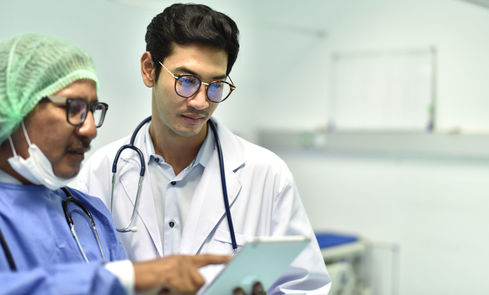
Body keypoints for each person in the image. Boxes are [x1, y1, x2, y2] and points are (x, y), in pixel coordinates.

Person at [76, 3, 331, 294]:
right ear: (149, 70)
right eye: (186, 81)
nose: (201, 102)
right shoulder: (101, 172)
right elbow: (82, 279)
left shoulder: (266, 174)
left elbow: (306, 286)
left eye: (216, 85)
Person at [0, 32, 232, 295]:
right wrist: (127, 276)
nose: (90, 129)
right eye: (74, 108)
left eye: (92, 109)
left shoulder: (88, 213)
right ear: (15, 105)